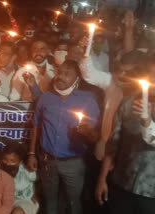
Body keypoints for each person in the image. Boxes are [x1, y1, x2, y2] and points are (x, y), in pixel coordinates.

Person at [27, 60, 100, 214]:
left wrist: (88, 133)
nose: (61, 76)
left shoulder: (88, 101)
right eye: (60, 72)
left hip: (73, 163)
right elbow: (36, 126)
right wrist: (32, 154)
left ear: (77, 79)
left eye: (67, 74)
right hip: (47, 161)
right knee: (50, 201)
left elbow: (95, 137)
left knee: (73, 202)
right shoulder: (45, 97)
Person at [95, 59, 155, 214]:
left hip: (150, 194)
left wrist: (147, 120)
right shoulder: (128, 104)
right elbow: (113, 144)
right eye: (151, 74)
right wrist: (102, 179)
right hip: (122, 184)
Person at [1, 143, 38, 214]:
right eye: (5, 160)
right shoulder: (0, 170)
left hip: (23, 201)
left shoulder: (26, 171)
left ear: (20, 162)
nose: (8, 164)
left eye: (12, 161)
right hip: (5, 201)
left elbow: (33, 178)